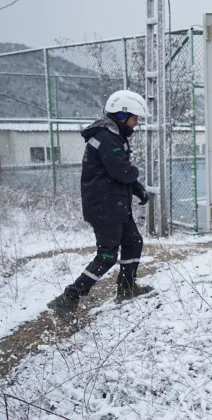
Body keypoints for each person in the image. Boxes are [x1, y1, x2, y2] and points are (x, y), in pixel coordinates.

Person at [48, 89, 154, 318]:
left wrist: (137, 188)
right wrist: (133, 175)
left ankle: (126, 288)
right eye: (134, 118)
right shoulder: (105, 138)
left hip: (115, 204)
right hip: (104, 206)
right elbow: (123, 171)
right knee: (107, 256)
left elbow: (121, 173)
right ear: (121, 115)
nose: (136, 124)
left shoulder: (115, 137)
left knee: (134, 242)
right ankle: (68, 298)